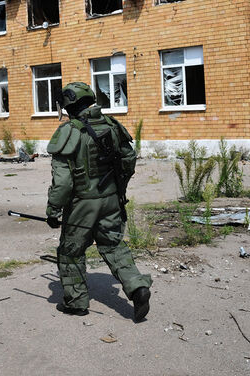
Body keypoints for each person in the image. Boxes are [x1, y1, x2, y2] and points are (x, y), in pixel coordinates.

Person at [46, 81, 152, 320]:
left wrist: (53, 209)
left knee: (71, 251)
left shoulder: (68, 131)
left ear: (68, 105)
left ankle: (76, 302)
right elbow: (128, 160)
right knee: (113, 245)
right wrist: (117, 189)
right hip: (111, 199)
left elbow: (63, 183)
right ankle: (137, 287)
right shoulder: (112, 125)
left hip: (82, 205)